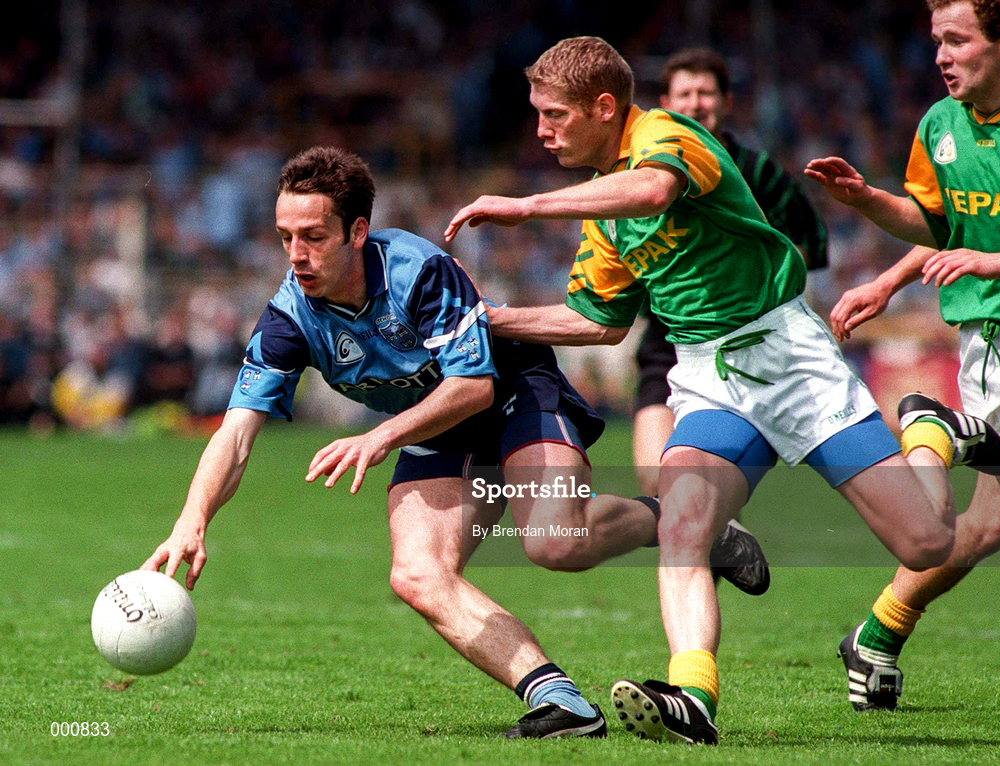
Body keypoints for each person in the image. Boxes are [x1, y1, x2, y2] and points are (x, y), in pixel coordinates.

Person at [445, 35, 1000, 745]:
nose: (541, 130)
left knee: (926, 544)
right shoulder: (602, 214)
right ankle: (693, 698)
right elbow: (596, 321)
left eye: (554, 114)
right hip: (709, 375)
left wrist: (524, 207)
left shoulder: (670, 136)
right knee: (683, 520)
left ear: (605, 106)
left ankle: (928, 434)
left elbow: (653, 188)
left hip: (790, 361)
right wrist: (489, 321)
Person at [141, 146, 765, 739]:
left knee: (555, 542)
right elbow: (237, 432)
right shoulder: (289, 317)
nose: (296, 255)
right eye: (285, 238)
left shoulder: (417, 271)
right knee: (416, 572)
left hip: (511, 389)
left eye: (313, 237)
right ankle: (559, 700)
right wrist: (191, 520)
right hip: (434, 423)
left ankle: (684, 525)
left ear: (357, 232)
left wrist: (381, 435)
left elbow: (472, 388)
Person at [807, 0, 1000, 712]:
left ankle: (876, 635)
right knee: (996, 517)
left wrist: (996, 262)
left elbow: (975, 246)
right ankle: (952, 432)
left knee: (993, 522)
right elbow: (935, 223)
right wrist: (870, 207)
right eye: (937, 41)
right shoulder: (940, 125)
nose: (940, 55)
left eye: (956, 41)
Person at [632, 47, 829, 505]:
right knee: (650, 479)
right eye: (684, 93)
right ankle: (720, 534)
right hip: (667, 340)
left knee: (696, 489)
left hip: (750, 339)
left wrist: (755, 277)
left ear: (727, 103)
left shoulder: (758, 171)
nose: (695, 103)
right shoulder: (640, 172)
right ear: (664, 103)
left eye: (706, 92)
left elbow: (808, 243)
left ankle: (710, 528)